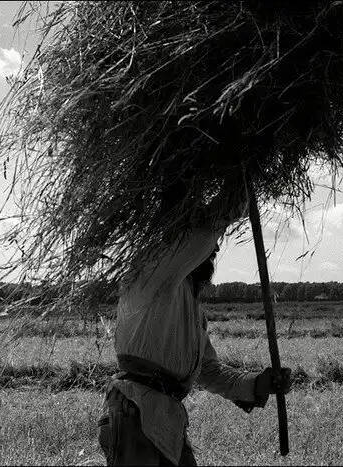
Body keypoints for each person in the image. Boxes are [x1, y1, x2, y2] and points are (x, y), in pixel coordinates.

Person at [97, 180, 293, 466]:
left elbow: (208, 370)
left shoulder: (188, 301)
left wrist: (257, 383)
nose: (214, 251)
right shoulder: (151, 270)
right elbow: (205, 231)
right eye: (208, 247)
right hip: (135, 413)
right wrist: (240, 183)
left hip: (164, 418)